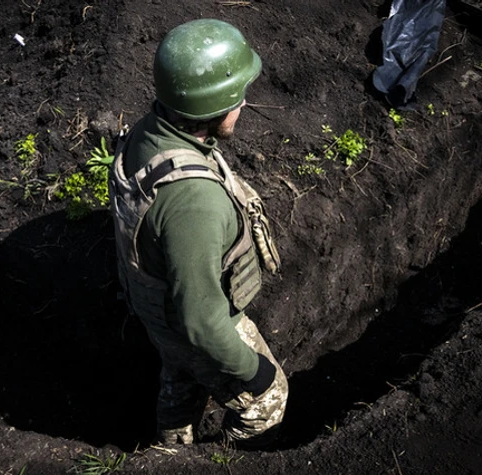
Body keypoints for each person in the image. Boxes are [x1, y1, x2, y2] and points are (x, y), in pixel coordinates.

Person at [109, 18, 288, 447]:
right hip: (186, 320)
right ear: (217, 103)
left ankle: (170, 448)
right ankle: (222, 461)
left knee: (181, 372)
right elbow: (201, 322)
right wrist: (254, 374)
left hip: (157, 310)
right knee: (270, 398)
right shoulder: (196, 204)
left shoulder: (147, 131)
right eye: (239, 96)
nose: (244, 105)